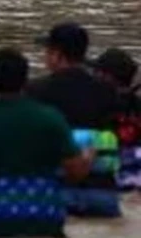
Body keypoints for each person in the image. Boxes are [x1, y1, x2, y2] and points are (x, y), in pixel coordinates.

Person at [0, 48, 91, 238]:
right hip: (45, 223)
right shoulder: (51, 119)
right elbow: (75, 171)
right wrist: (88, 157)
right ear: (25, 81)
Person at [26, 23, 123, 217]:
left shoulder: (35, 90)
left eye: (48, 52)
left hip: (53, 197)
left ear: (57, 55)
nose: (45, 57)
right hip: (103, 198)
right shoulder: (108, 91)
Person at [90, 48, 141, 190]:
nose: (93, 75)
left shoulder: (98, 105)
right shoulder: (136, 104)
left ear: (106, 76)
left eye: (96, 71)